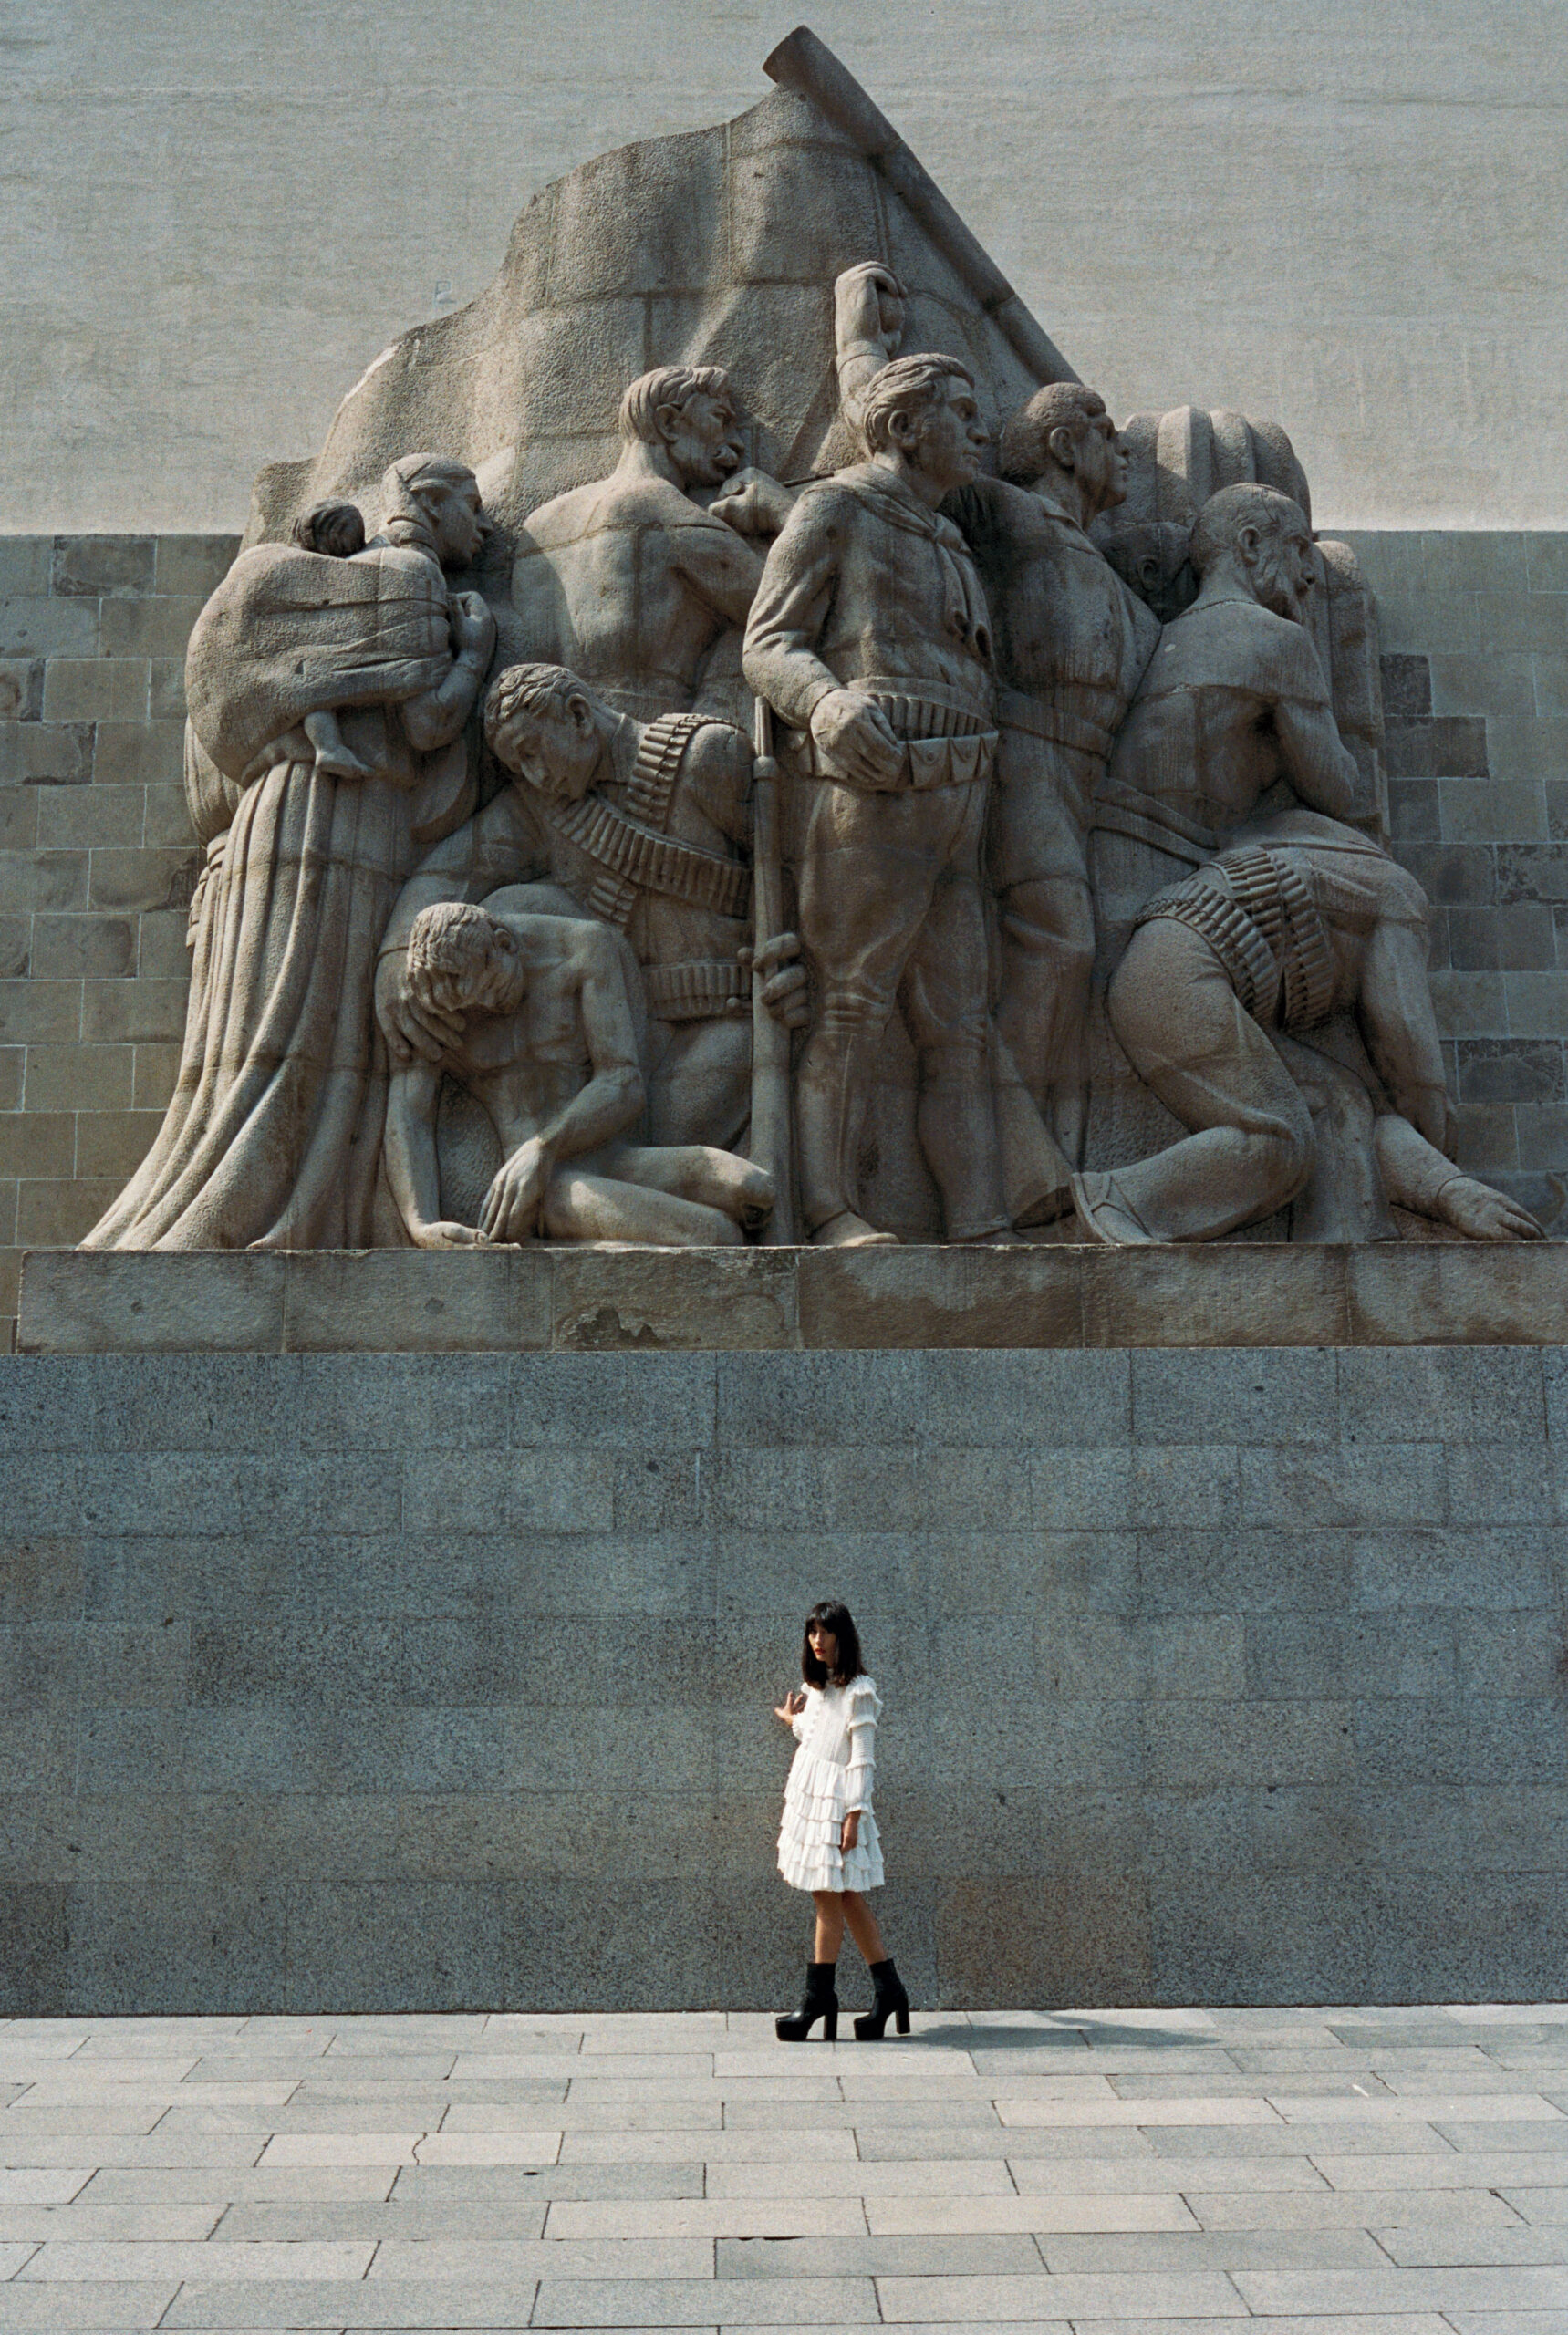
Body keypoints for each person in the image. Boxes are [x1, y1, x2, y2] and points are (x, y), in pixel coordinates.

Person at [85, 453, 495, 1251]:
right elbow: (428, 724)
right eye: (471, 506)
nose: (481, 526)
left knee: (274, 1014)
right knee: (313, 1019)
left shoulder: (338, 576)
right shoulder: (410, 576)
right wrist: (476, 651)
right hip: (345, 817)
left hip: (285, 807)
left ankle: (255, 1198)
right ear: (431, 502)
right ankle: (261, 1209)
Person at [742, 352, 1007, 1247]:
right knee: (850, 1002)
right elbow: (768, 641)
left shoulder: (952, 537)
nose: (983, 430)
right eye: (962, 411)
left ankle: (978, 1219)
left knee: (961, 1023)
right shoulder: (837, 507)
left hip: (961, 793)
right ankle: (826, 1210)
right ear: (903, 427)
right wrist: (823, 701)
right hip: (873, 784)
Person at [376, 662, 806, 1155]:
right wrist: (395, 957)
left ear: (578, 716)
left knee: (638, 1161)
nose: (535, 776)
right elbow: (446, 873)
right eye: (519, 769)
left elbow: (804, 871)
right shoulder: (544, 807)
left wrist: (801, 965)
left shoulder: (704, 757)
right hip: (621, 1038)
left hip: (725, 1022)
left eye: (533, 754)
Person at [383, 897, 774, 1247]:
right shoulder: (439, 1001)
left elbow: (624, 1081)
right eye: (474, 1004)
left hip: (609, 1158)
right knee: (715, 1234)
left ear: (504, 944)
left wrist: (543, 1147)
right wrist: (419, 1223)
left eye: (491, 988)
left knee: (757, 1188)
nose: (487, 1006)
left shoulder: (582, 948)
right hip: (542, 1193)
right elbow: (411, 1115)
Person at [510, 364, 794, 721]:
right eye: (721, 419)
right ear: (669, 423)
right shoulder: (660, 506)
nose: (735, 442)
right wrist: (783, 510)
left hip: (559, 745)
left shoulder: (540, 524)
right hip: (654, 742)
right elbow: (788, 604)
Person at [773, 1601, 909, 2045]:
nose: (817, 1639)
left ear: (842, 1637)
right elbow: (817, 1739)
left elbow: (862, 1759)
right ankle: (888, 1992)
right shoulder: (818, 1689)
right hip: (811, 1796)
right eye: (812, 1631)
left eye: (825, 1632)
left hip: (837, 1803)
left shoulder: (859, 1690)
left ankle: (819, 2001)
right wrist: (793, 1720)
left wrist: (854, 1815)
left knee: (829, 1898)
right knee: (844, 1897)